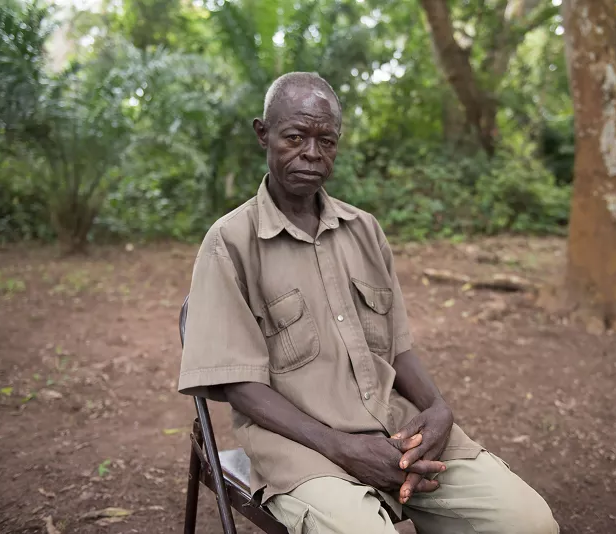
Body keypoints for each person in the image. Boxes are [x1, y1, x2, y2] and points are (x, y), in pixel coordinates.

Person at [178, 71, 559, 534]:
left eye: (327, 141)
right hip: (301, 449)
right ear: (264, 134)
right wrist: (341, 448)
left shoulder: (365, 230)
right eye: (295, 137)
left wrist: (439, 409)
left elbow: (397, 348)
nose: (312, 154)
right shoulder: (229, 243)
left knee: (529, 523)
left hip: (398, 433)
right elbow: (238, 384)